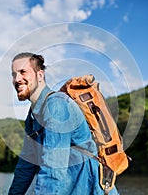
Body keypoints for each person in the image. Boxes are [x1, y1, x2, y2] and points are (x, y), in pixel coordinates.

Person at [8, 52, 119, 195]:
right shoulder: (32, 118)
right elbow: (25, 167)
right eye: (13, 74)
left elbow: (53, 169)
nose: (17, 79)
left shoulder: (57, 105)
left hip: (92, 189)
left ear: (40, 75)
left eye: (23, 72)